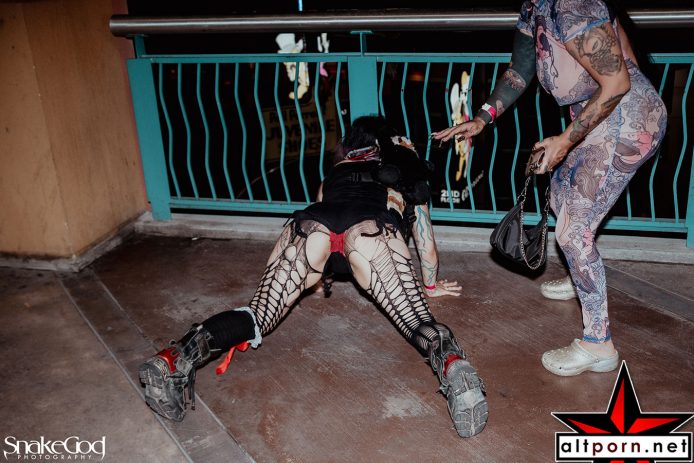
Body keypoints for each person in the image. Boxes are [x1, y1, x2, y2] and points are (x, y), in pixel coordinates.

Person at [139, 116, 488, 438]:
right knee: (416, 321)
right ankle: (453, 366)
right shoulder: (406, 170)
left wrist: (317, 277)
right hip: (371, 231)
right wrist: (430, 285)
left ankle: (174, 357)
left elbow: (326, 217)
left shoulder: (338, 169)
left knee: (258, 313)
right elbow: (425, 244)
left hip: (311, 227)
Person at [432, 0, 666, 376]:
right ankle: (582, 276)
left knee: (573, 229)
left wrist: (565, 141)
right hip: (594, 119)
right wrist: (482, 118)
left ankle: (599, 344)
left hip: (626, 119)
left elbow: (619, 82)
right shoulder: (535, 6)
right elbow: (520, 70)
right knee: (559, 192)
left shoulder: (574, 4)